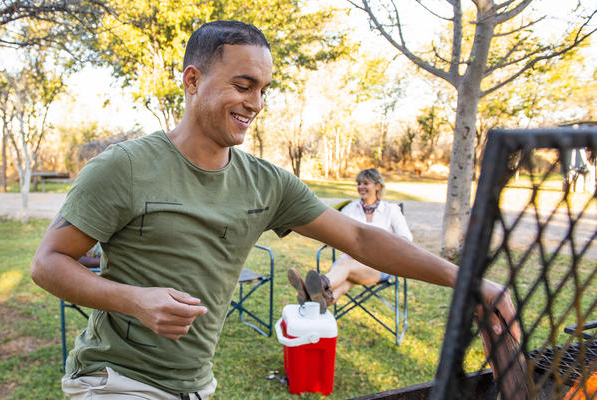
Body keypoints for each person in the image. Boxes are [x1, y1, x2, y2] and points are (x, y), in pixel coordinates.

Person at [30, 20, 518, 399]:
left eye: (263, 89)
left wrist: (470, 281)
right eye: (243, 85)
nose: (256, 103)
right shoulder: (125, 167)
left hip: (196, 384)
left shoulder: (266, 183)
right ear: (193, 79)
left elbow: (362, 239)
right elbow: (48, 263)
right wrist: (133, 300)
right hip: (114, 381)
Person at [288, 168, 412, 309]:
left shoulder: (392, 210)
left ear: (378, 186)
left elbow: (406, 238)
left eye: (366, 183)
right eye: (358, 183)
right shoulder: (350, 209)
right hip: (352, 262)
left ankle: (313, 289)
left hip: (379, 266)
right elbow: (336, 233)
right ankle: (321, 300)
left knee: (345, 266)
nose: (361, 187)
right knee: (345, 281)